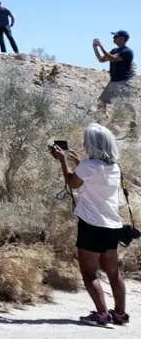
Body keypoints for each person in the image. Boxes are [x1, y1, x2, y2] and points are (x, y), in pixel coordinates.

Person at [51, 123, 128, 326]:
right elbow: (94, 179)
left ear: (93, 144)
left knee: (88, 272)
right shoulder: (114, 167)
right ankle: (120, 314)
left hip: (92, 226)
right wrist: (78, 162)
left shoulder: (88, 166)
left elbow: (72, 182)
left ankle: (101, 315)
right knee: (113, 272)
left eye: (87, 141)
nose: (84, 143)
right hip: (112, 226)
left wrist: (63, 160)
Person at [93, 30, 135, 134]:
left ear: (122, 38)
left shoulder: (127, 51)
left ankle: (133, 128)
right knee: (101, 101)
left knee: (126, 105)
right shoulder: (114, 50)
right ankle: (100, 124)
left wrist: (101, 45)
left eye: (116, 36)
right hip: (113, 81)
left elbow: (112, 58)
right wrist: (95, 48)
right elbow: (101, 60)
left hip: (123, 82)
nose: (113, 38)